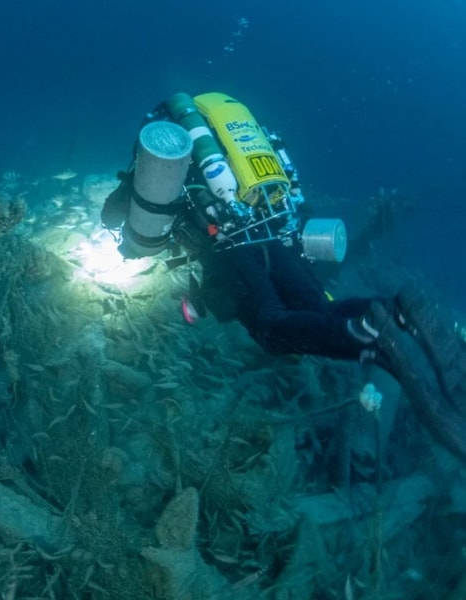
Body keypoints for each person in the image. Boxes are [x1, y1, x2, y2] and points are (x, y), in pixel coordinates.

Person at [101, 92, 466, 462]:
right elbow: (290, 183)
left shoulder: (168, 142)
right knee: (317, 310)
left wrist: (130, 195)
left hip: (228, 249)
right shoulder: (241, 132)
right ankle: (395, 311)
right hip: (279, 236)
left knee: (270, 327)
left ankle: (368, 333)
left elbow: (118, 216)